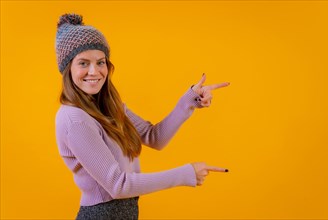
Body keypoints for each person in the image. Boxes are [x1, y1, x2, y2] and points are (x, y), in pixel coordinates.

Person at [55, 13, 230, 220]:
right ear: (68, 69)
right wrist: (186, 174)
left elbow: (154, 137)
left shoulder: (110, 106)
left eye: (100, 62)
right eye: (83, 63)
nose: (94, 71)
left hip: (125, 213)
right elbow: (118, 186)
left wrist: (188, 101)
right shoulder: (74, 119)